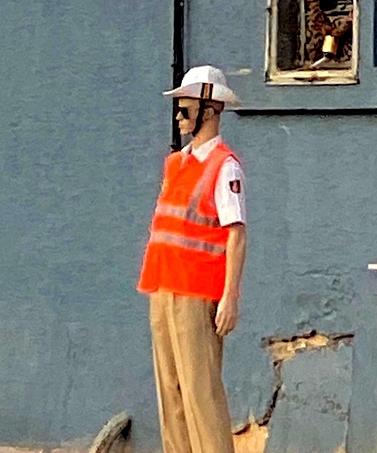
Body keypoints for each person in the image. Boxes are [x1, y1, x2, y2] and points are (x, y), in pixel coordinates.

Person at [137, 65, 246, 453]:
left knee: (201, 394)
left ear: (210, 110)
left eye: (187, 108)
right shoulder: (176, 163)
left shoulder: (224, 165)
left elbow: (236, 233)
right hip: (163, 286)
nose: (180, 117)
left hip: (197, 294)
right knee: (172, 394)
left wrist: (230, 296)